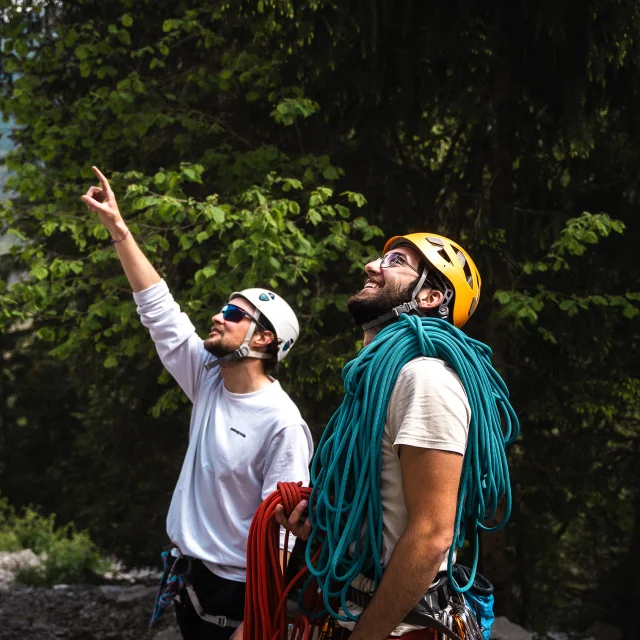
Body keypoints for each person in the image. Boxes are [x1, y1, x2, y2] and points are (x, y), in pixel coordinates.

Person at [82, 166, 313, 640]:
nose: (217, 316)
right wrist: (119, 230)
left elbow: (283, 534)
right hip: (191, 577)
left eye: (233, 314)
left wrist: (254, 623)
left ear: (264, 337)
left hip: (239, 592)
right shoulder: (209, 378)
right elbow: (159, 310)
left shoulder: (282, 423)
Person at [275, 233, 510, 640]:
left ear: (431, 297)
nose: (371, 266)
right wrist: (330, 521)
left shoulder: (426, 380)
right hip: (357, 611)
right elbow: (388, 508)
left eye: (395, 261)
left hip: (398, 627)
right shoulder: (378, 381)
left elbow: (434, 534)